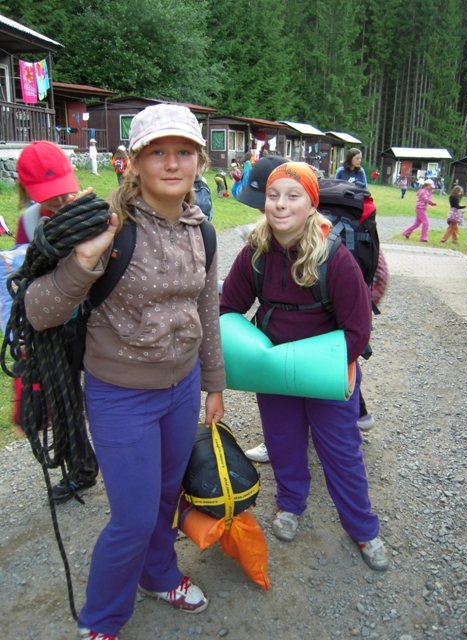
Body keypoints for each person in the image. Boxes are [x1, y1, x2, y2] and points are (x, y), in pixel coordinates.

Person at [24, 104, 226, 640]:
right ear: (133, 162)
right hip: (121, 396)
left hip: (182, 390)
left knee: (165, 498)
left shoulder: (202, 230)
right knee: (132, 518)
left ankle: (158, 575)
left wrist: (214, 385)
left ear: (199, 161)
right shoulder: (107, 226)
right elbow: (39, 311)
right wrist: (84, 260)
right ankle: (101, 619)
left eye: (183, 152)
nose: (171, 163)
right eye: (157, 152)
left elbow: (207, 310)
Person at [220, 161, 388, 571]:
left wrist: (312, 364)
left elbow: (357, 331)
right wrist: (252, 355)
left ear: (311, 205)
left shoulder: (336, 257)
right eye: (273, 195)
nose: (280, 204)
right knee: (283, 443)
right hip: (273, 372)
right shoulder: (255, 253)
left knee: (341, 452)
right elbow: (229, 309)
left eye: (293, 196)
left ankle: (363, 527)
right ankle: (290, 503)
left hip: (326, 374)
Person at [15, 140, 99, 503]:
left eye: (63, 190)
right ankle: (81, 468)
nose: (60, 200)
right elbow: (22, 277)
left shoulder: (90, 212)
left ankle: (123, 457)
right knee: (66, 402)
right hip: (52, 331)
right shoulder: (28, 223)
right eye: (50, 195)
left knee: (105, 394)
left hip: (93, 322)